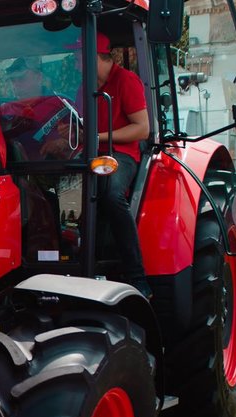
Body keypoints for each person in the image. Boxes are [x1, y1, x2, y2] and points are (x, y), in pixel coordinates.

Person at [86, 33, 152, 297]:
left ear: (100, 57)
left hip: (120, 154)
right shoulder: (86, 86)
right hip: (89, 155)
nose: (79, 64)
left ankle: (137, 275)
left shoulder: (126, 81)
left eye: (83, 58)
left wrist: (98, 137)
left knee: (112, 195)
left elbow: (143, 129)